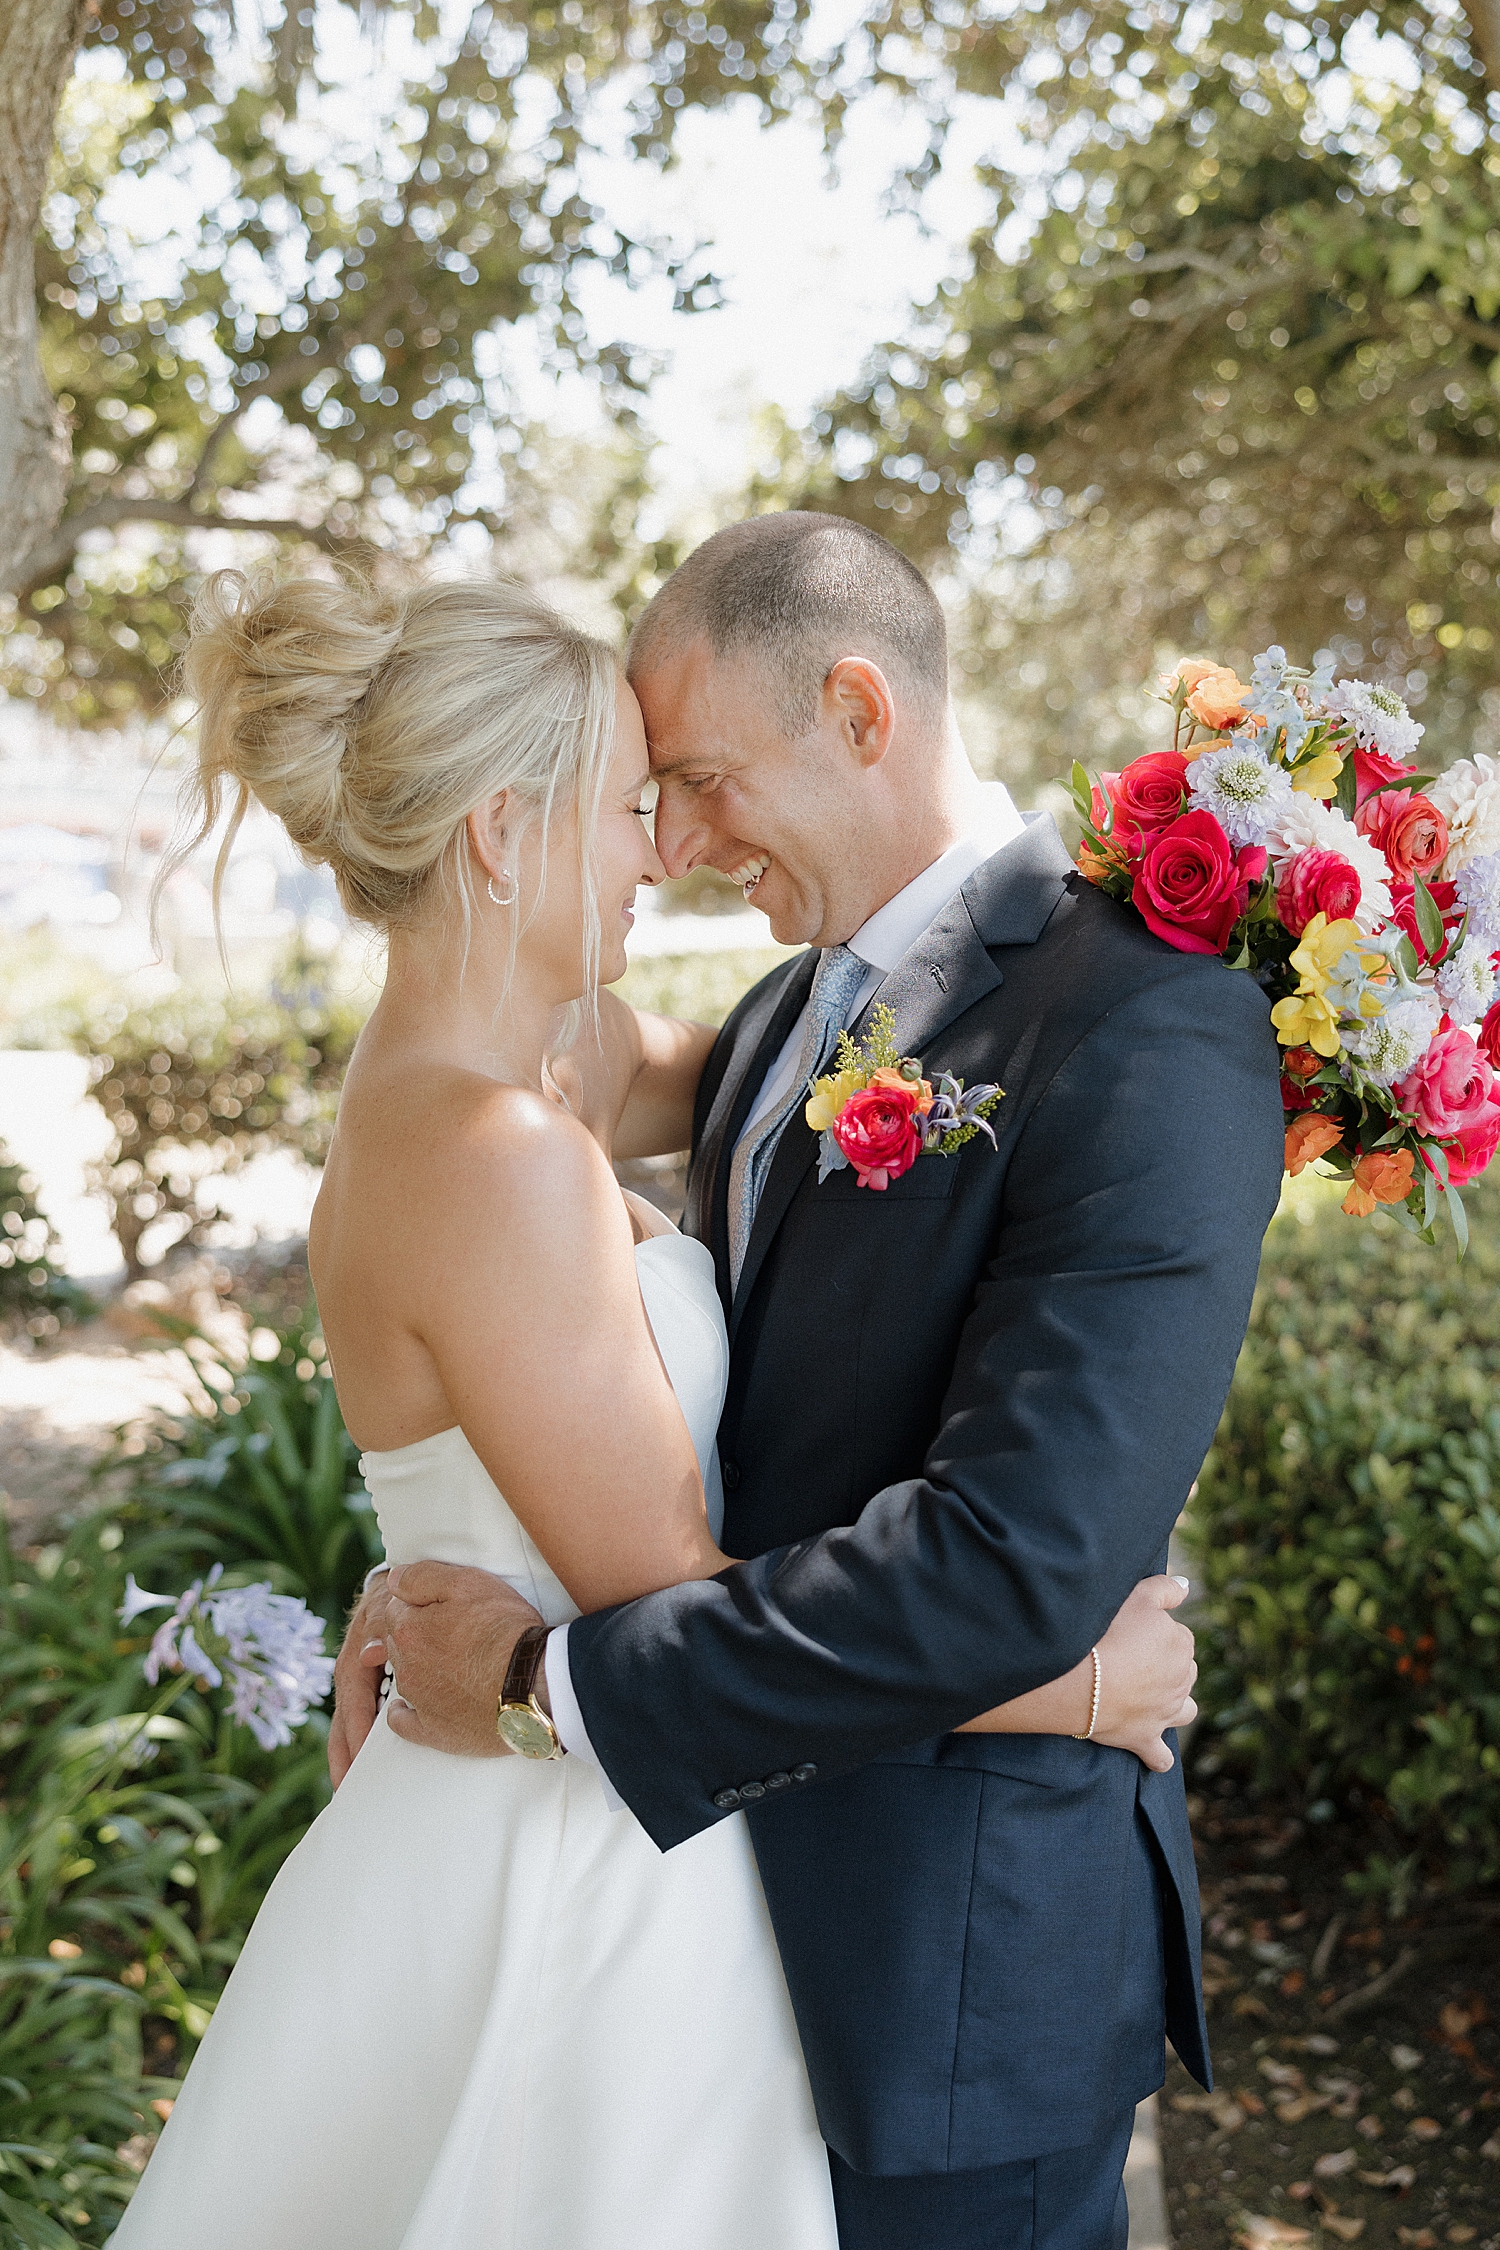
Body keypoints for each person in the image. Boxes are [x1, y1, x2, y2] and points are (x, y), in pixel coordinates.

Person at [112, 564, 1199, 2250]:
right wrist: (1062, 1684)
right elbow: (662, 1580)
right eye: (634, 801)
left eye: (684, 786)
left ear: (856, 711)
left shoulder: (633, 1057)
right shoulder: (517, 1137)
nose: (665, 845)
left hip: (848, 1921)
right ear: (498, 833)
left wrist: (478, 1593)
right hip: (607, 1865)